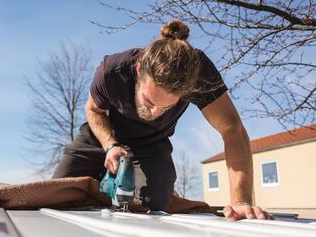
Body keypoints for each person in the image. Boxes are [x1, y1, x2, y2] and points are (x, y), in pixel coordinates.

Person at [52, 19, 272, 221]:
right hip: (102, 134)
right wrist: (110, 146)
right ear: (139, 70)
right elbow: (93, 110)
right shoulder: (113, 70)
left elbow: (232, 128)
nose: (155, 113)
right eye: (149, 101)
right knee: (58, 193)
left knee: (158, 200)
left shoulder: (198, 73)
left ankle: (154, 191)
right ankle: (97, 184)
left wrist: (240, 201)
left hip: (152, 142)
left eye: (167, 107)